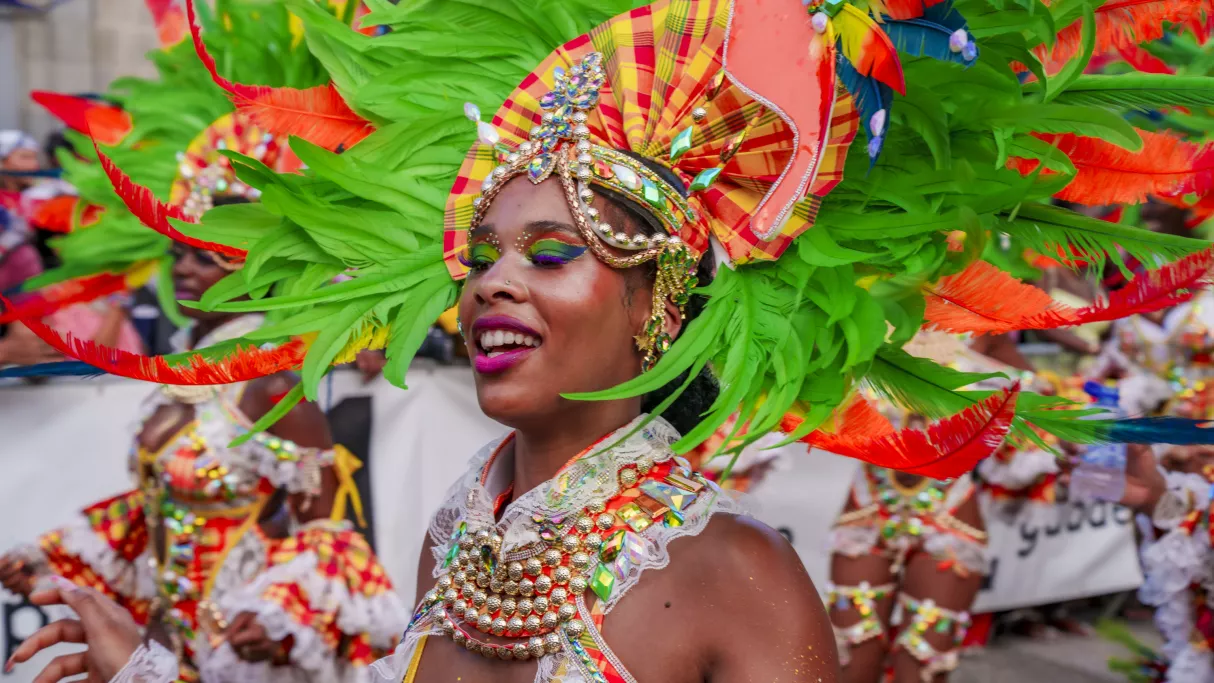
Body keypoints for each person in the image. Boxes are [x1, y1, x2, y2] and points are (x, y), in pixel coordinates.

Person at [8, 0, 1214, 681]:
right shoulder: (457, 534)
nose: (491, 280)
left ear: (659, 306)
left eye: (552, 252)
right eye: (483, 252)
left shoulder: (734, 576)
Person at [0, 1, 409, 681]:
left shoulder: (270, 384)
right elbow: (159, 507)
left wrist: (276, 616)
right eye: (179, 251)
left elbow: (329, 532)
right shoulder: (185, 379)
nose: (185, 267)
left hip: (244, 658)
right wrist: (48, 556)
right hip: (168, 646)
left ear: (257, 268)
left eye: (209, 254)